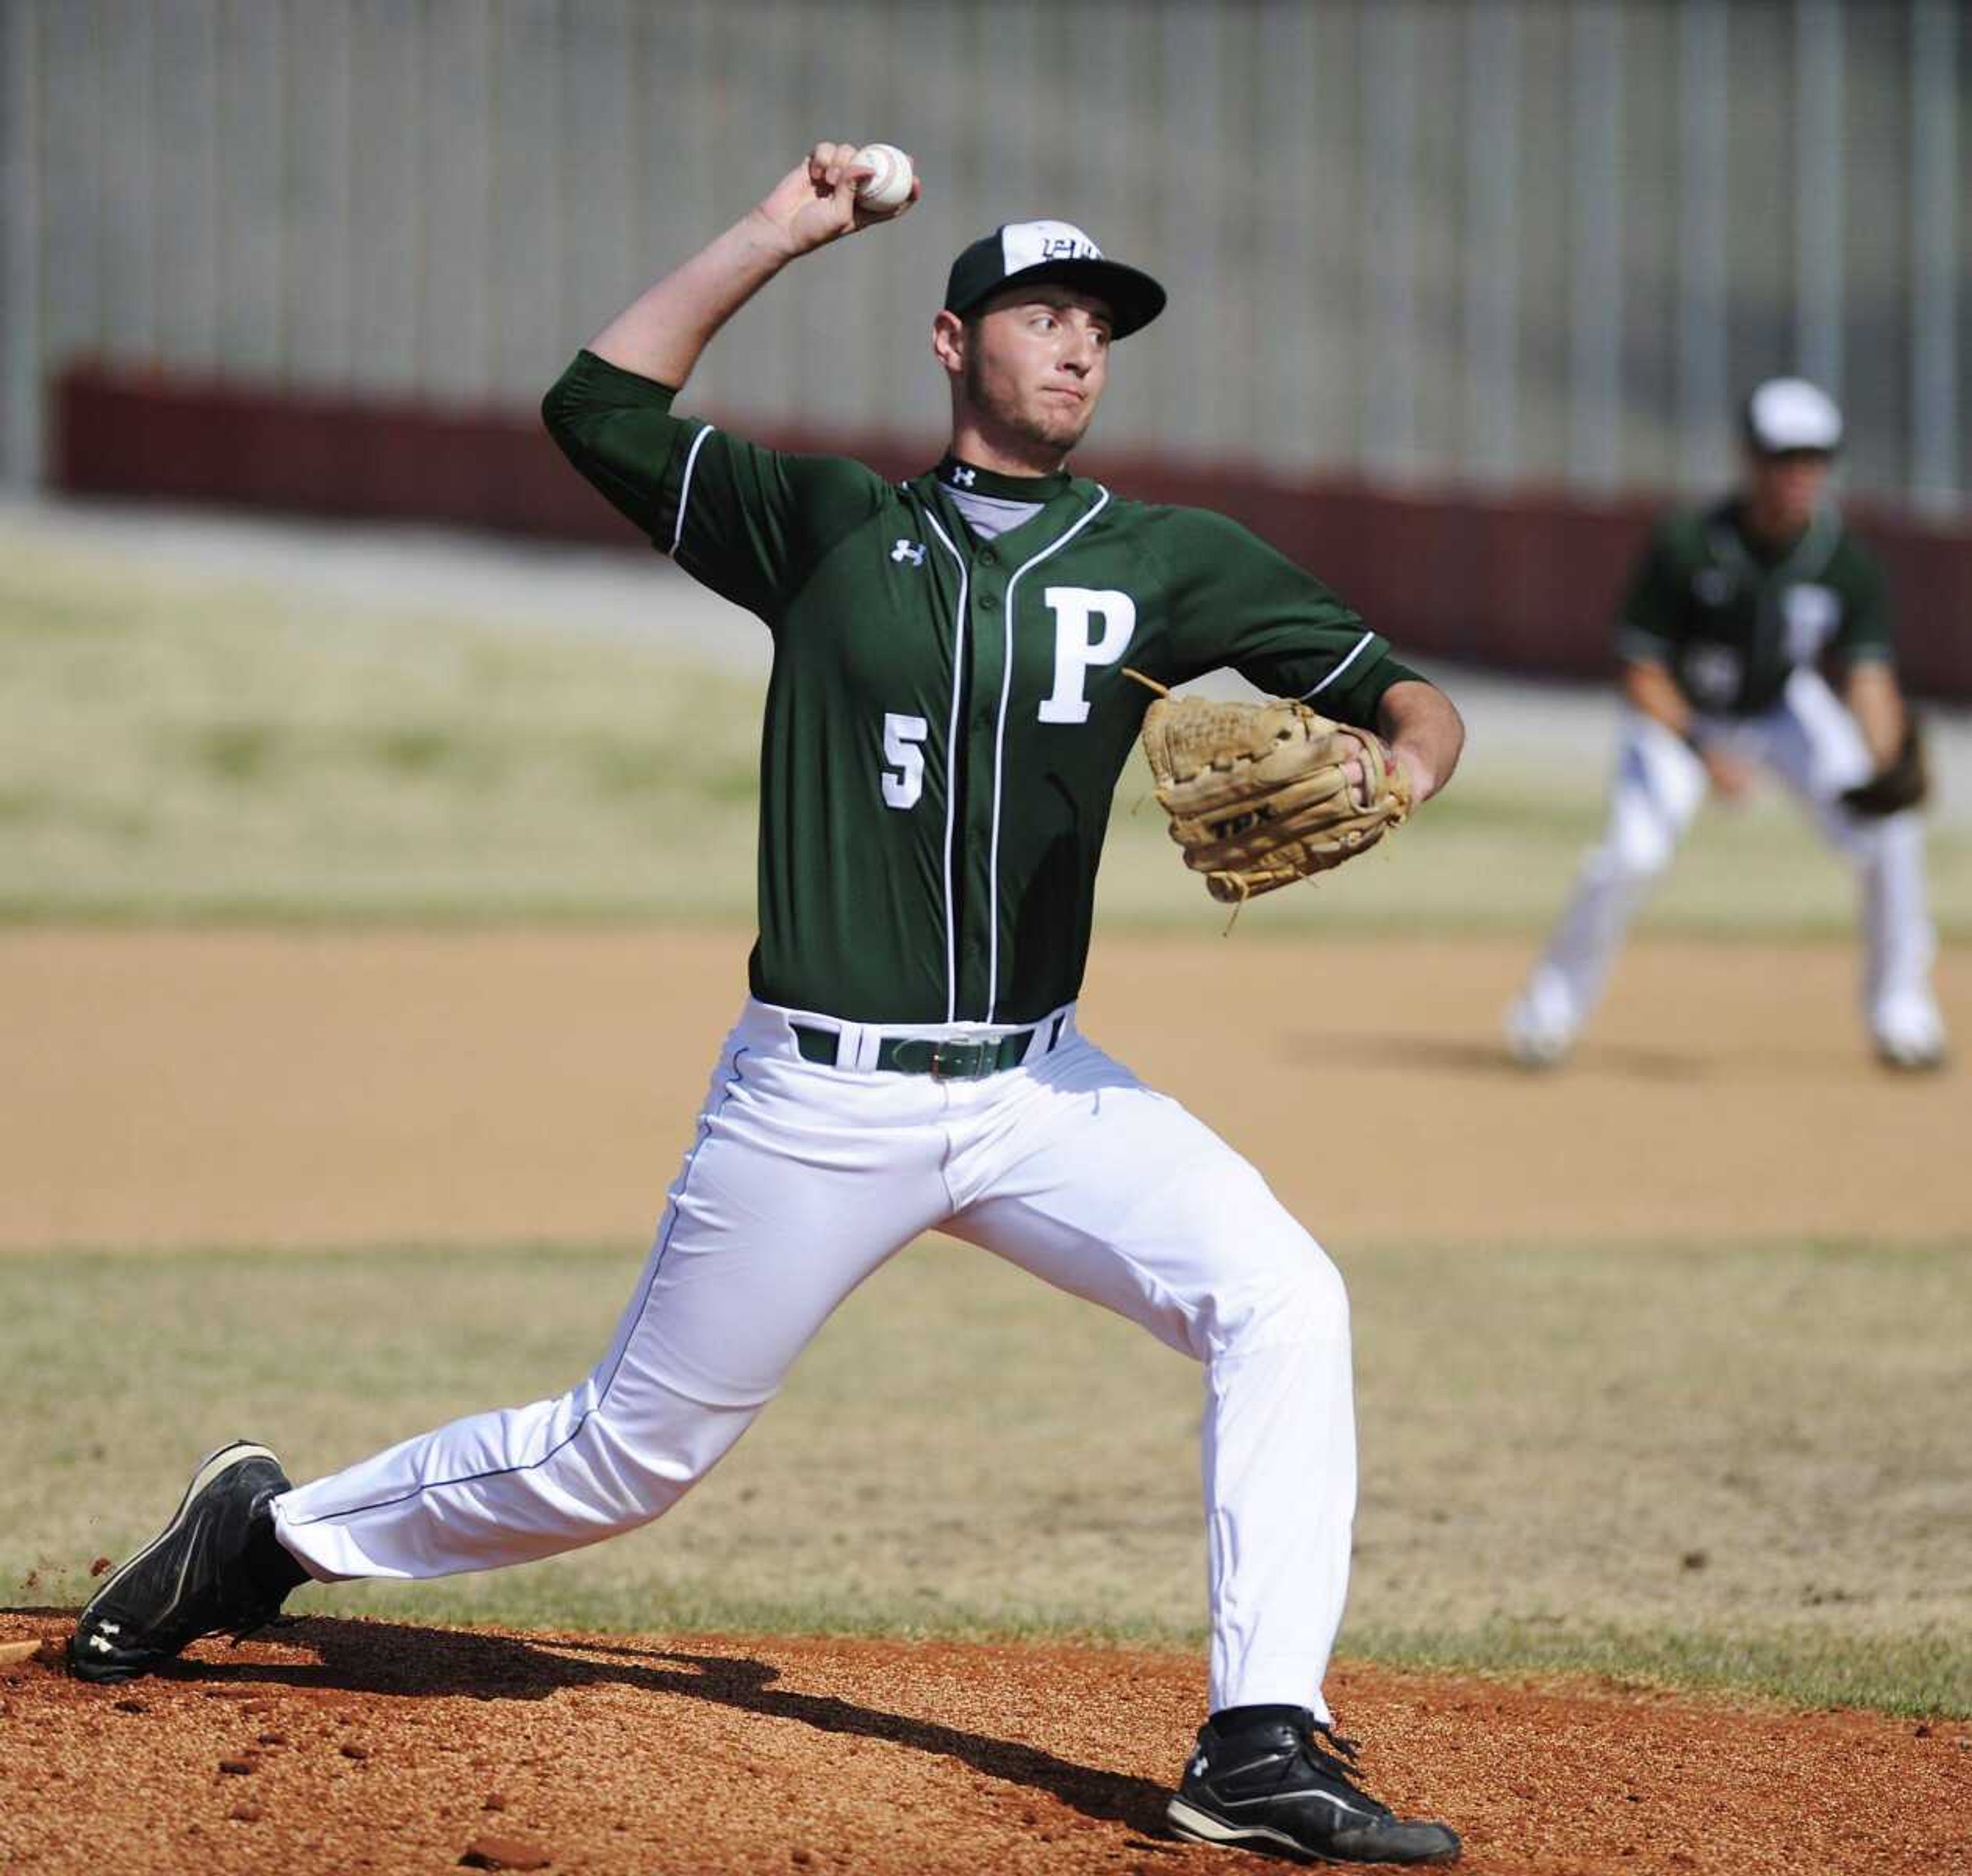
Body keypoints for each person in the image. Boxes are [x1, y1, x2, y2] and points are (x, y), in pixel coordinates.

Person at [69, 145, 1467, 1866]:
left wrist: (1398, 770)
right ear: (953, 344)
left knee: (1283, 1298)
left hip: (1045, 1093)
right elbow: (594, 410)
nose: (1082, 344)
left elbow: (1410, 697)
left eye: (1102, 321)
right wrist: (780, 232)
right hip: (822, 1096)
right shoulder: (822, 528)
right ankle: (265, 1536)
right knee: (622, 1462)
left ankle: (1257, 1738)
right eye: (1044, 312)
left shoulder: (1172, 561)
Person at [1505, 377, 1949, 1073]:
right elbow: (1641, 669)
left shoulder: (1845, 563)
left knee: (1889, 827)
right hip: (1682, 716)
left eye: (1816, 456)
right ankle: (1547, 1014)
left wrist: (1888, 758)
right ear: (1750, 459)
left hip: (1782, 708)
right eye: (1785, 455)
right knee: (1633, 854)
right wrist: (1703, 750)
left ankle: (1903, 1011)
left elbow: (1867, 677)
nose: (1801, 472)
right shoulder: (1689, 543)